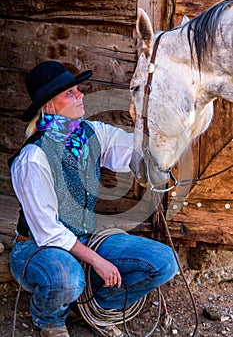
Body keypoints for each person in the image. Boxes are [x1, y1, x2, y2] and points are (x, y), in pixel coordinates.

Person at [9, 60, 178, 337]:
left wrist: (158, 137)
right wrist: (98, 261)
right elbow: (48, 233)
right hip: (36, 248)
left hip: (85, 238)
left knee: (164, 262)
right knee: (67, 277)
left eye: (78, 90)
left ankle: (92, 307)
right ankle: (50, 321)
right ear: (49, 106)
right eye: (70, 93)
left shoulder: (91, 133)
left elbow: (131, 151)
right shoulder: (32, 159)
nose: (81, 95)